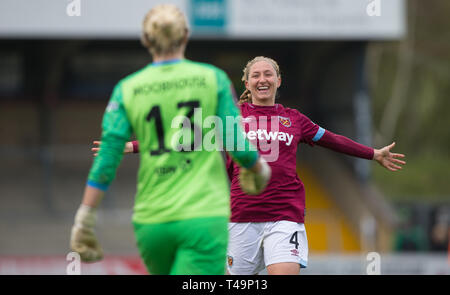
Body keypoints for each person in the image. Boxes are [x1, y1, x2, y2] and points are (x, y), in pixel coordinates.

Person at [111, 56, 406, 275]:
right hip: (241, 220)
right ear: (247, 82)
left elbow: (333, 140)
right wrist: (133, 146)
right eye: (256, 75)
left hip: (284, 217)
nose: (262, 79)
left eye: (268, 74)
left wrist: (373, 154)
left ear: (278, 81)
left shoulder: (296, 120)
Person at [70, 5, 270, 275]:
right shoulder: (213, 79)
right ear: (185, 35)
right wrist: (259, 168)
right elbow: (236, 143)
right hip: (203, 216)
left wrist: (85, 217)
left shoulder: (127, 88)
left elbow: (107, 156)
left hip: (151, 221)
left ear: (146, 39)